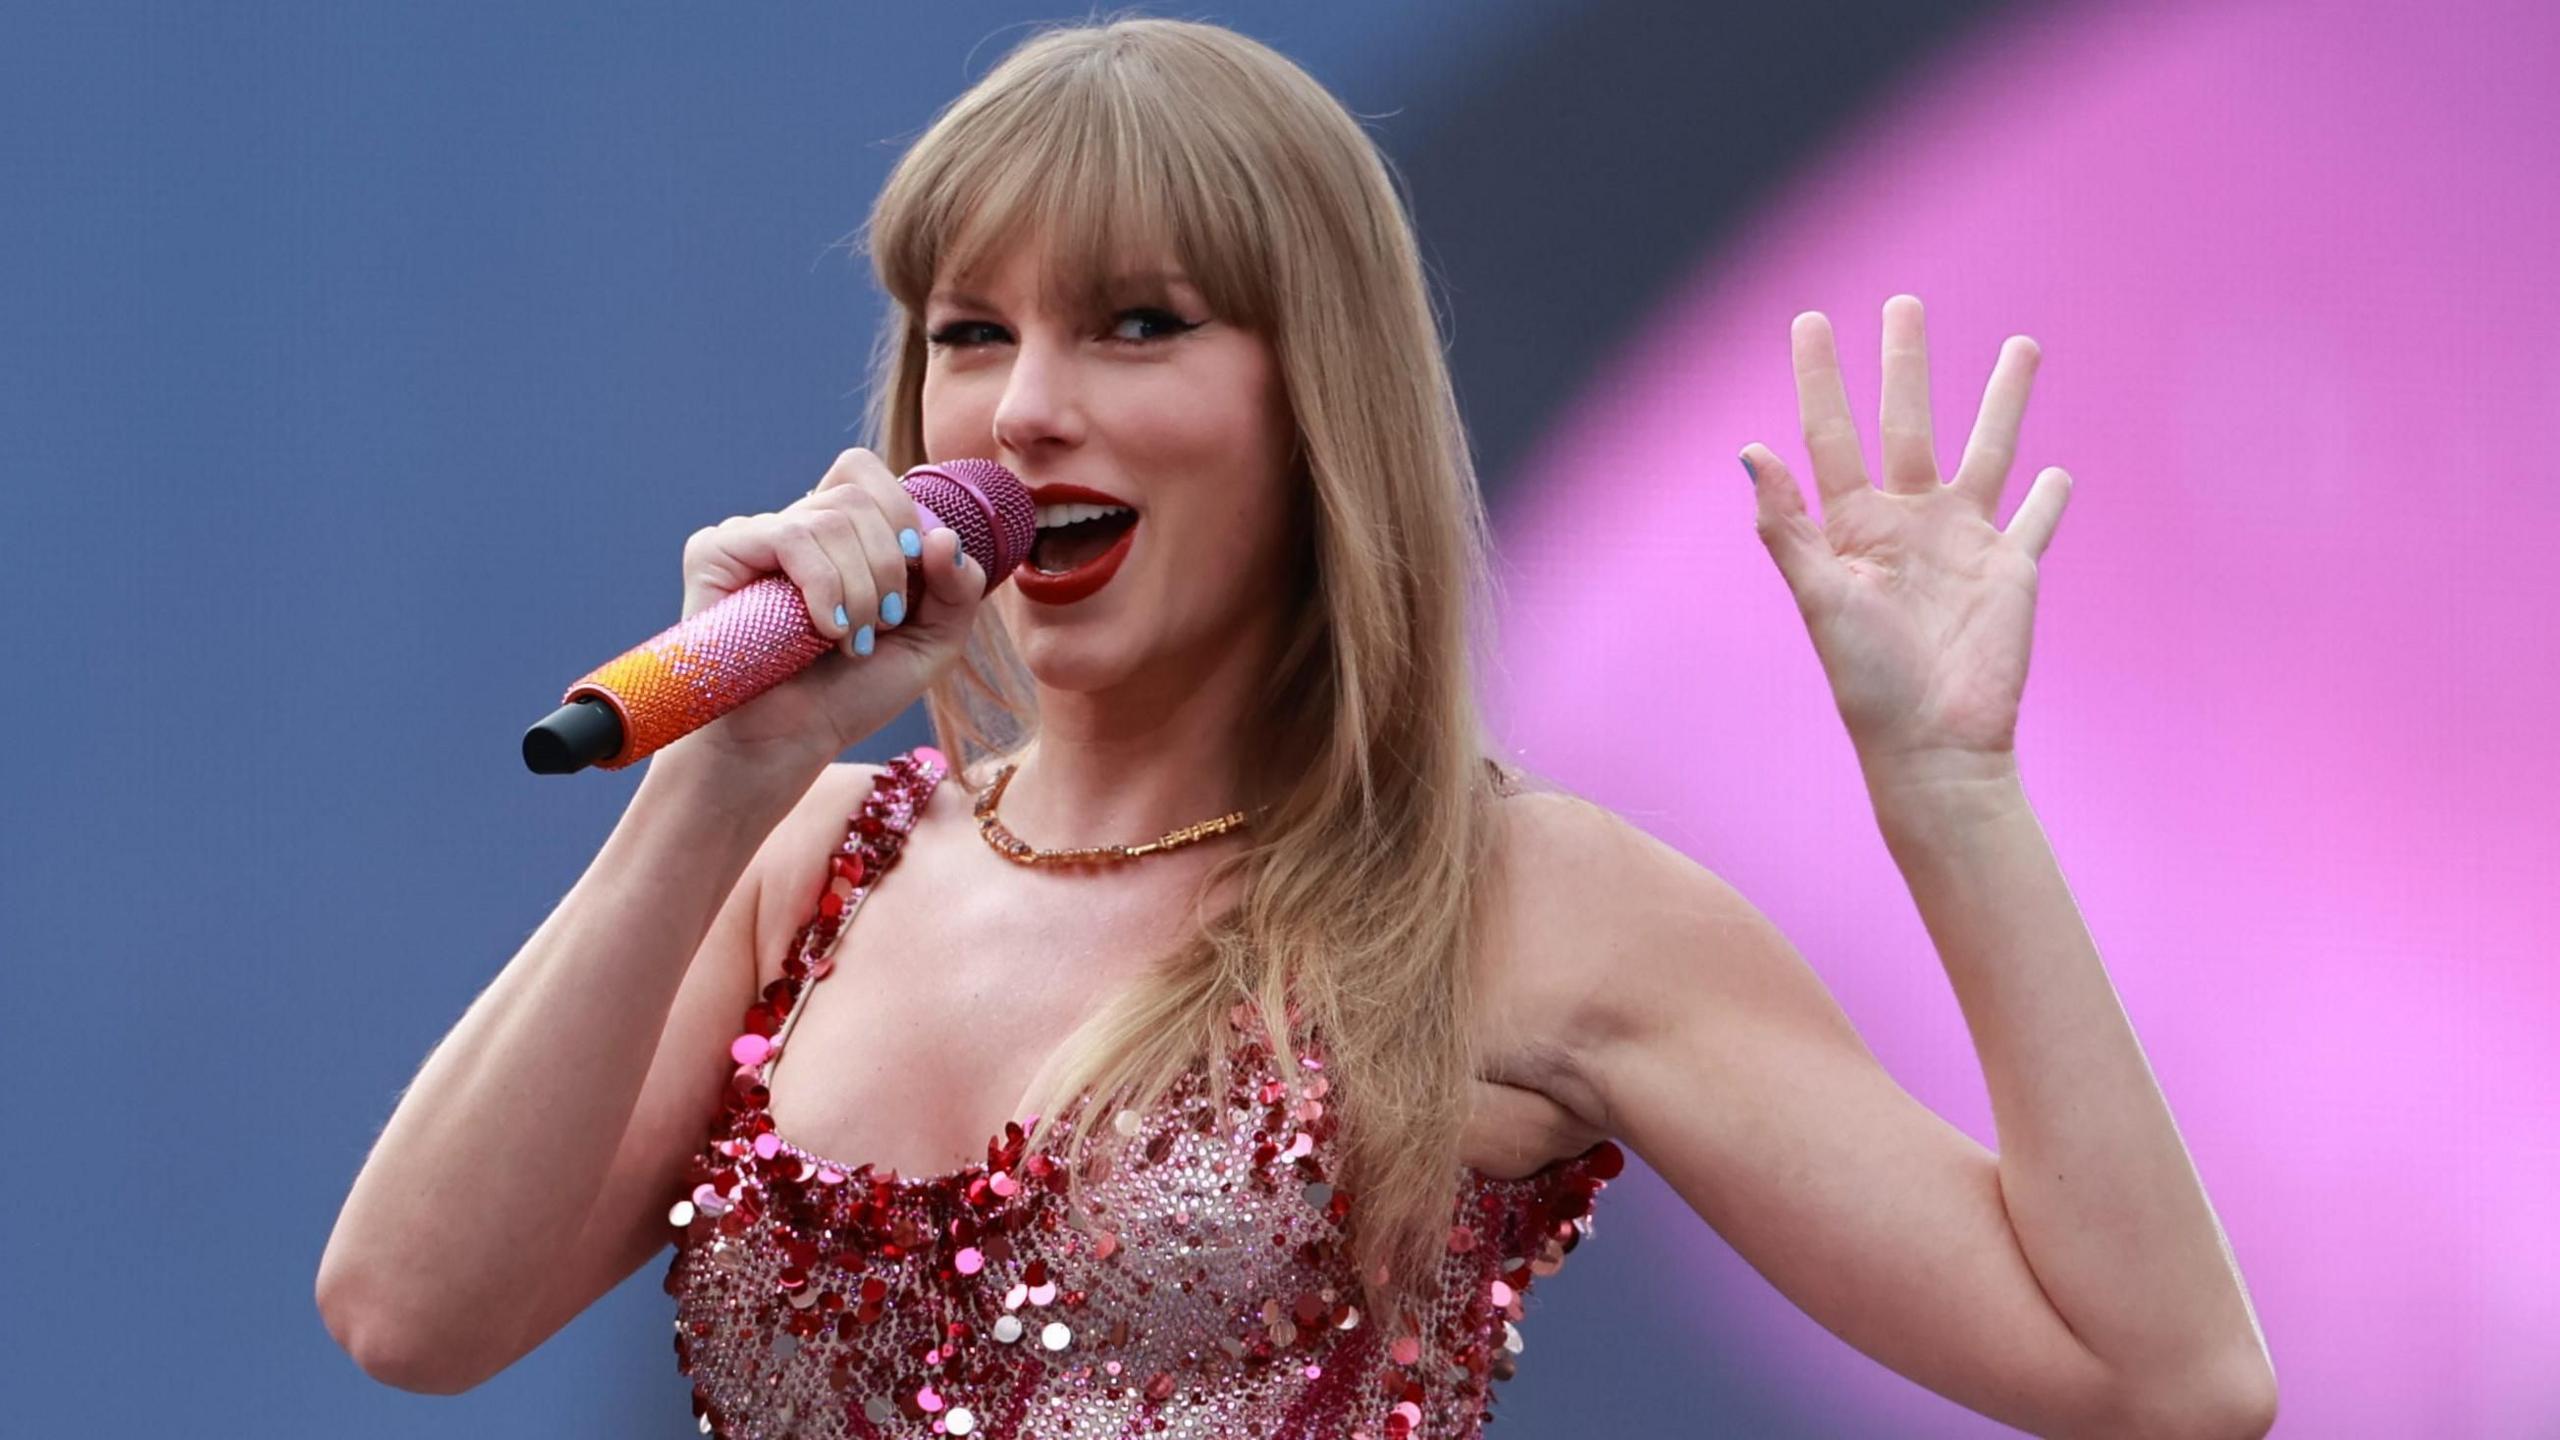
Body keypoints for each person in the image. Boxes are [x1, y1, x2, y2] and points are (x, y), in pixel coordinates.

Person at [316, 16, 2276, 1438]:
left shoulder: (1524, 904)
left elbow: (2156, 1378)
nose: (1023, 410)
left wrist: (1947, 793)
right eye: (971, 333)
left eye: (1137, 325)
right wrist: (722, 781)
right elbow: (408, 1313)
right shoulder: (801, 867)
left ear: (1307, 401)